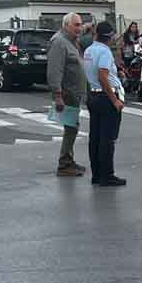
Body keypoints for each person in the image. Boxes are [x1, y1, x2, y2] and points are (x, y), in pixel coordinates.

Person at [83, 21, 127, 187]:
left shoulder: (89, 50)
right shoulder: (104, 51)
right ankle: (107, 175)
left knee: (95, 137)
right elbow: (102, 75)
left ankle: (97, 174)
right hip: (106, 97)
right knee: (107, 139)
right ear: (109, 36)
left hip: (93, 95)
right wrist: (114, 100)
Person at [47, 13, 87, 177]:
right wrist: (58, 95)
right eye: (76, 25)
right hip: (66, 92)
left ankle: (69, 160)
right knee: (71, 128)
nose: (80, 28)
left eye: (80, 25)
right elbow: (54, 70)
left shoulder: (71, 41)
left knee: (72, 127)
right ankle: (64, 164)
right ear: (66, 25)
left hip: (74, 92)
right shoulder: (59, 42)